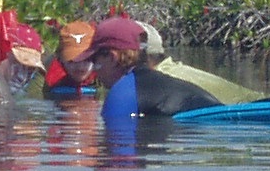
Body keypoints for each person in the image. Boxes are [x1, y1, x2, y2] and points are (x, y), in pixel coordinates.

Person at [84, 14, 221, 116]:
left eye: (95, 59)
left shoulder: (122, 94)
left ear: (112, 57)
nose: (93, 68)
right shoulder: (171, 84)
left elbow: (119, 149)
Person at [44, 20, 99, 99]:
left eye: (86, 60)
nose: (80, 67)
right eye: (72, 60)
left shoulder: (104, 81)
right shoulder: (50, 82)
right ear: (60, 60)